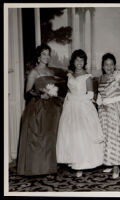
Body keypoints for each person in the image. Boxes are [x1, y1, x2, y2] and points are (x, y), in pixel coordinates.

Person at [17, 44, 66, 176]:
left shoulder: (51, 72)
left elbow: (55, 88)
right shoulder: (34, 72)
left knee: (50, 137)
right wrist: (40, 95)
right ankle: (36, 167)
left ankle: (49, 167)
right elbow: (27, 93)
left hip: (51, 108)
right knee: (38, 137)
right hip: (38, 107)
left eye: (48, 54)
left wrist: (54, 93)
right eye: (44, 54)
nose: (47, 56)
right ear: (38, 57)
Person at [56, 49, 104, 177]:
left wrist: (75, 99)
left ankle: (82, 164)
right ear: (73, 61)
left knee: (82, 135)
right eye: (77, 59)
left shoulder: (87, 76)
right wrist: (67, 101)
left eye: (82, 60)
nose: (79, 62)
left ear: (84, 62)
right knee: (72, 136)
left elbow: (90, 95)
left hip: (83, 107)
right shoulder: (70, 75)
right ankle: (75, 163)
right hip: (70, 107)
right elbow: (68, 91)